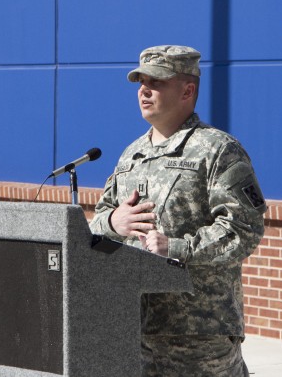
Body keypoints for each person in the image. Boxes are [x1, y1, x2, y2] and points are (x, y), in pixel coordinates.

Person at [89, 45, 267, 377]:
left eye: (156, 82)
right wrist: (113, 221)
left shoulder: (217, 150)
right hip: (134, 329)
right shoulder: (132, 155)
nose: (144, 90)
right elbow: (98, 221)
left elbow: (243, 230)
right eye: (141, 81)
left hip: (199, 336)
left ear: (188, 90)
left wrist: (176, 247)